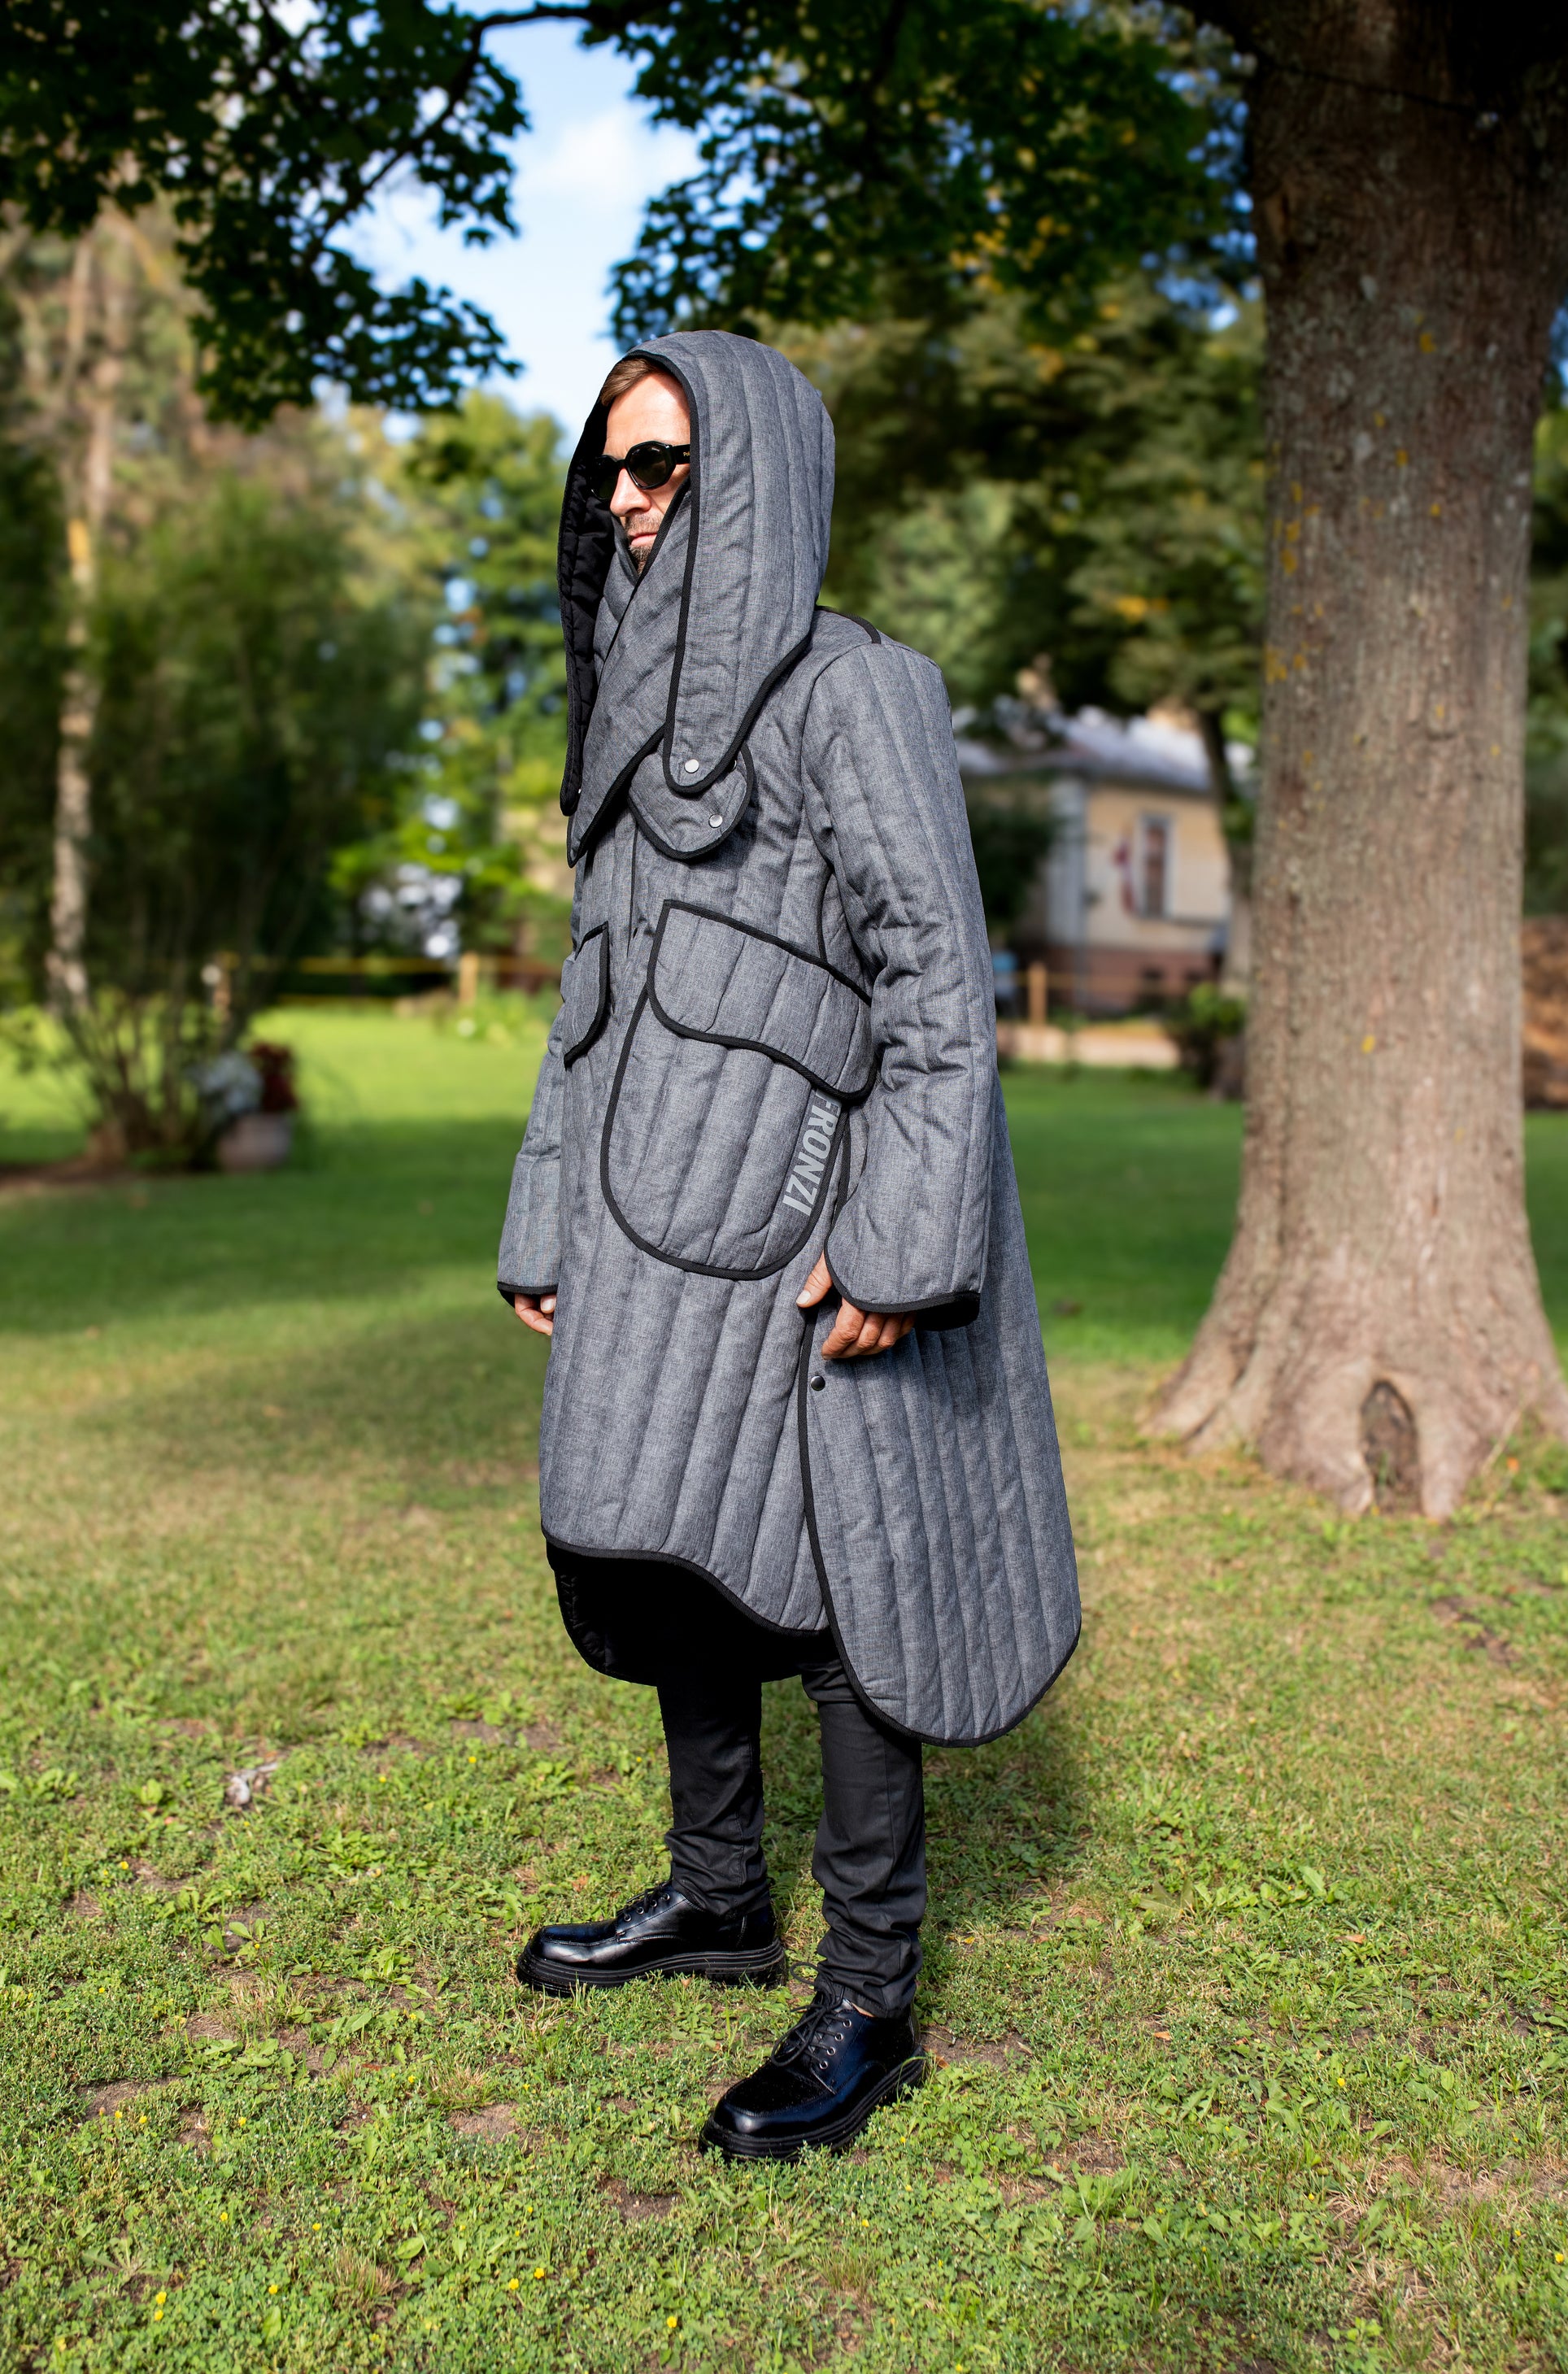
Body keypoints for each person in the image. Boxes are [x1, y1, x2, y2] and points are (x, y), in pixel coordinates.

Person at [498, 331, 1080, 2162]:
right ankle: (719, 1900)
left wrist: (902, 1243)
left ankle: (870, 1997)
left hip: (804, 1227)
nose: (628, 502)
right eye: (610, 471)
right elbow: (586, 995)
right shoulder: (619, 714)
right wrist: (544, 1207)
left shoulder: (858, 692)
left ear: (748, 478)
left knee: (838, 1596)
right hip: (641, 1227)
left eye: (661, 467)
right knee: (677, 1550)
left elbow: (932, 991)